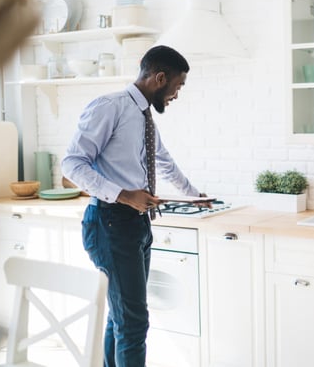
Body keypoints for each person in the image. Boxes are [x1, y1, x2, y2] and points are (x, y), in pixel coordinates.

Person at [62, 45, 206, 367]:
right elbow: (72, 164)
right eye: (177, 87)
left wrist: (197, 196)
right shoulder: (109, 107)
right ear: (159, 78)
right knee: (134, 322)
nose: (176, 95)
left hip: (136, 224)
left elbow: (163, 161)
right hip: (110, 222)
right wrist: (126, 195)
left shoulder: (143, 117)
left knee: (122, 316)